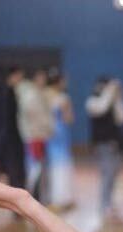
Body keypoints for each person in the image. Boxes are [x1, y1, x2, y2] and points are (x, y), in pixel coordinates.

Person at [85, 76, 123, 218]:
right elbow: (101, 108)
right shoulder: (92, 101)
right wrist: (110, 91)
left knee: (113, 175)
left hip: (115, 144)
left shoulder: (113, 102)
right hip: (102, 145)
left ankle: (109, 202)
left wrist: (118, 98)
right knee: (107, 174)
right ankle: (104, 204)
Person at [16, 68, 54, 203]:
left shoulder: (36, 93)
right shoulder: (31, 95)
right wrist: (47, 127)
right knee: (35, 169)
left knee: (39, 167)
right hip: (34, 136)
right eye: (41, 77)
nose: (43, 80)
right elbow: (37, 116)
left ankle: (38, 197)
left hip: (38, 135)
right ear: (36, 78)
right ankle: (33, 197)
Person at [45, 69, 75, 211]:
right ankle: (63, 199)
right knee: (62, 166)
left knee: (50, 167)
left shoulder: (43, 95)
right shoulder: (63, 98)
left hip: (47, 133)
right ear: (59, 82)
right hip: (60, 133)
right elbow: (69, 118)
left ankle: (51, 199)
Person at [0, 66, 26, 191]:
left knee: (16, 169)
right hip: (10, 136)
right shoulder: (6, 93)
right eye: (20, 76)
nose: (21, 79)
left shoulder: (11, 91)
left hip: (12, 135)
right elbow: (6, 118)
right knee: (14, 170)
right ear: (14, 75)